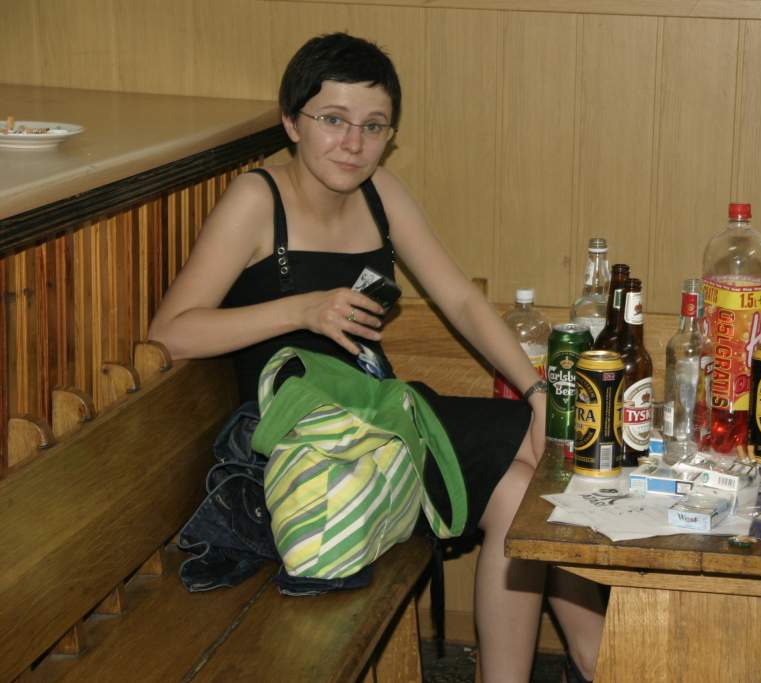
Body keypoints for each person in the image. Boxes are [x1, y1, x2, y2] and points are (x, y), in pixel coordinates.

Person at [147, 32, 604, 683]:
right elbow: (170, 334)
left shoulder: (378, 191)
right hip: (303, 445)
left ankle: (585, 660)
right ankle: (596, 658)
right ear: (292, 122)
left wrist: (536, 393)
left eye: (373, 126)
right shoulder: (256, 201)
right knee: (523, 483)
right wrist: (301, 311)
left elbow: (460, 299)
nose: (352, 144)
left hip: (379, 415)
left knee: (537, 473)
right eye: (333, 120)